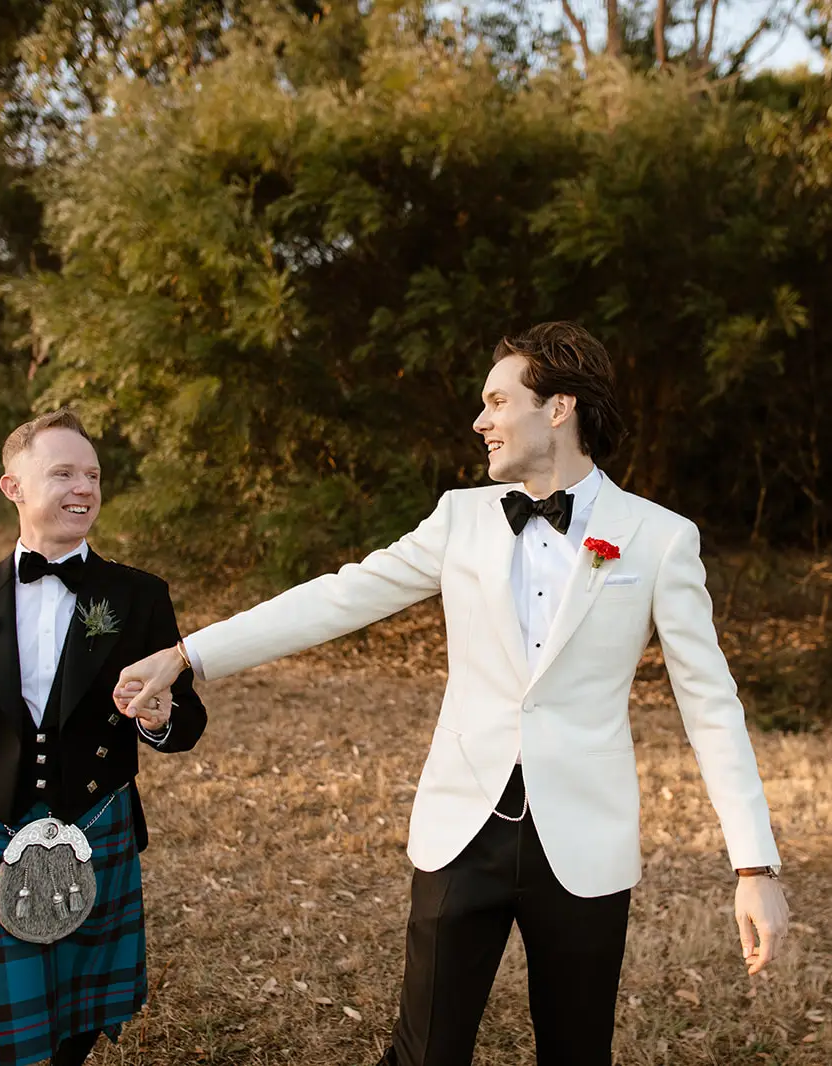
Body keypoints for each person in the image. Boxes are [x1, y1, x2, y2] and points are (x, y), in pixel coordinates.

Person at [117, 322, 789, 1066]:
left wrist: (753, 867)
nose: (480, 421)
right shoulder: (459, 519)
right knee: (424, 1052)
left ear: (558, 408)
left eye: (498, 401)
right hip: (461, 830)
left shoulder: (659, 538)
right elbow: (338, 598)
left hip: (586, 844)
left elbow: (710, 703)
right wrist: (189, 653)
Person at [0, 409, 207, 1066]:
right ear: (12, 487)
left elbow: (186, 719)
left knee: (74, 1018)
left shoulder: (137, 597)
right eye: (63, 474)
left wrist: (158, 719)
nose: (84, 488)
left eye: (93, 475)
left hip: (94, 827)